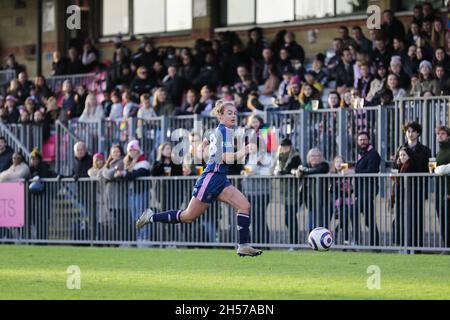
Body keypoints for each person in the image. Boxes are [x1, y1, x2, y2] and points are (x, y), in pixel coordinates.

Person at [136, 100, 263, 257]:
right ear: (220, 116)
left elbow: (209, 138)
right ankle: (151, 217)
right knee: (188, 216)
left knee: (244, 205)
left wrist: (203, 145)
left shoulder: (222, 131)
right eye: (229, 113)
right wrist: (244, 151)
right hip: (211, 179)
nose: (233, 116)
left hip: (221, 179)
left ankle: (243, 245)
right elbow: (223, 158)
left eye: (235, 113)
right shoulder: (223, 132)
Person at [391, 147, 422, 247]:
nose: (402, 157)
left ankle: (408, 245)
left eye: (404, 155)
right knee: (398, 222)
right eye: (400, 155)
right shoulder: (400, 166)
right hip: (401, 197)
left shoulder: (411, 165)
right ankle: (401, 244)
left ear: (409, 155)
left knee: (408, 222)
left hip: (410, 197)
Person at [272, 138, 302, 245]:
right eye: (283, 146)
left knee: (290, 217)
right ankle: (293, 242)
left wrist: (283, 172)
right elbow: (275, 169)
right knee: (288, 217)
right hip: (284, 191)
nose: (284, 148)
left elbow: (292, 169)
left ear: (290, 146)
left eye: (287, 146)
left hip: (293, 191)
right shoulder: (279, 157)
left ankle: (294, 242)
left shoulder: (295, 156)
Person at [354, 132, 381, 247]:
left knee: (352, 212)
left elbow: (371, 171)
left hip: (368, 189)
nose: (362, 142)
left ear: (369, 140)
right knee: (368, 219)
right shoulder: (361, 154)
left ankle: (358, 242)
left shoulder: (373, 154)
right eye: (360, 140)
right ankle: (374, 245)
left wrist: (354, 172)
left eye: (365, 139)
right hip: (361, 190)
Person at [295, 148, 330, 231]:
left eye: (317, 156)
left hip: (323, 201)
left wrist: (303, 171)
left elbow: (316, 171)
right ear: (308, 158)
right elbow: (297, 170)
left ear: (321, 157)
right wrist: (297, 171)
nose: (315, 158)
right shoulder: (306, 165)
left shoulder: (324, 165)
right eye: (312, 156)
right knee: (311, 227)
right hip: (310, 202)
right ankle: (312, 243)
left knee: (322, 226)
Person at [330, 155, 358, 246]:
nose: (338, 164)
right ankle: (337, 232)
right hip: (337, 201)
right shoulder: (331, 174)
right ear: (334, 164)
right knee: (344, 220)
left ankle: (345, 242)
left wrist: (349, 174)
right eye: (336, 162)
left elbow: (351, 189)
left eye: (340, 161)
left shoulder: (347, 174)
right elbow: (332, 189)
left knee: (347, 220)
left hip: (348, 200)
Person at [102, 144, 126, 242]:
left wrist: (108, 172)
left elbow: (108, 175)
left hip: (119, 198)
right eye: (114, 152)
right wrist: (110, 172)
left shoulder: (122, 161)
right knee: (113, 221)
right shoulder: (108, 163)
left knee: (121, 221)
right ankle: (117, 241)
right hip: (109, 197)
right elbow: (103, 174)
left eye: (117, 151)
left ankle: (123, 240)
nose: (116, 153)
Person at [434, 126, 450, 249]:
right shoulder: (438, 153)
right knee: (443, 220)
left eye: (443, 133)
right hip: (439, 190)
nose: (440, 136)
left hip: (448, 191)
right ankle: (446, 246)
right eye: (438, 134)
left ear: (448, 136)